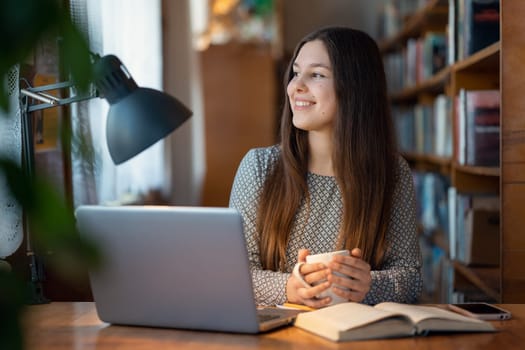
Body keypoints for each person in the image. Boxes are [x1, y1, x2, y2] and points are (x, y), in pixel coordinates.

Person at [229, 26, 422, 308]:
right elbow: (234, 273)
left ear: (355, 87)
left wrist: (368, 285)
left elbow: (410, 277)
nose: (296, 86)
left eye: (316, 74)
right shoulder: (259, 166)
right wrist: (289, 288)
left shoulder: (392, 173)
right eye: (295, 72)